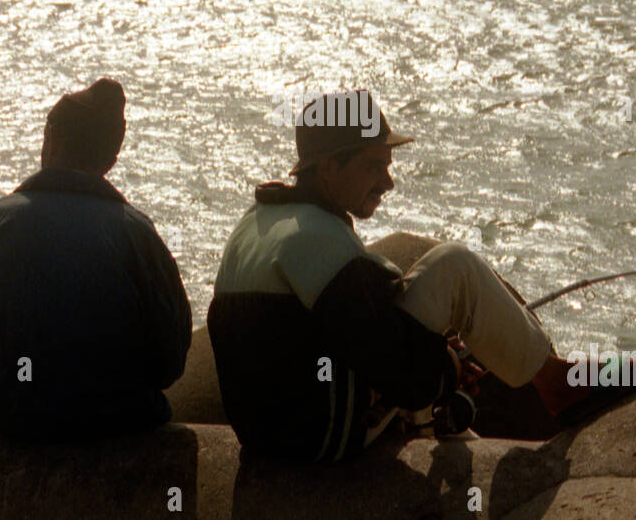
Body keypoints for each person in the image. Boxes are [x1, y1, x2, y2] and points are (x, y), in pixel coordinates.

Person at [207, 89, 602, 465]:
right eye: (373, 166)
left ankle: (450, 421)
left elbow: (333, 334)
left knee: (404, 329)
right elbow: (400, 376)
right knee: (455, 266)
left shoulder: (259, 222)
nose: (388, 182)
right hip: (322, 439)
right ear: (329, 168)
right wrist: (447, 368)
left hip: (268, 436)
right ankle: (558, 384)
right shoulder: (321, 242)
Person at [0, 78, 191, 442]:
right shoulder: (137, 234)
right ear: (111, 157)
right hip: (124, 421)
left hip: (20, 418)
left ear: (52, 141)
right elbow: (172, 355)